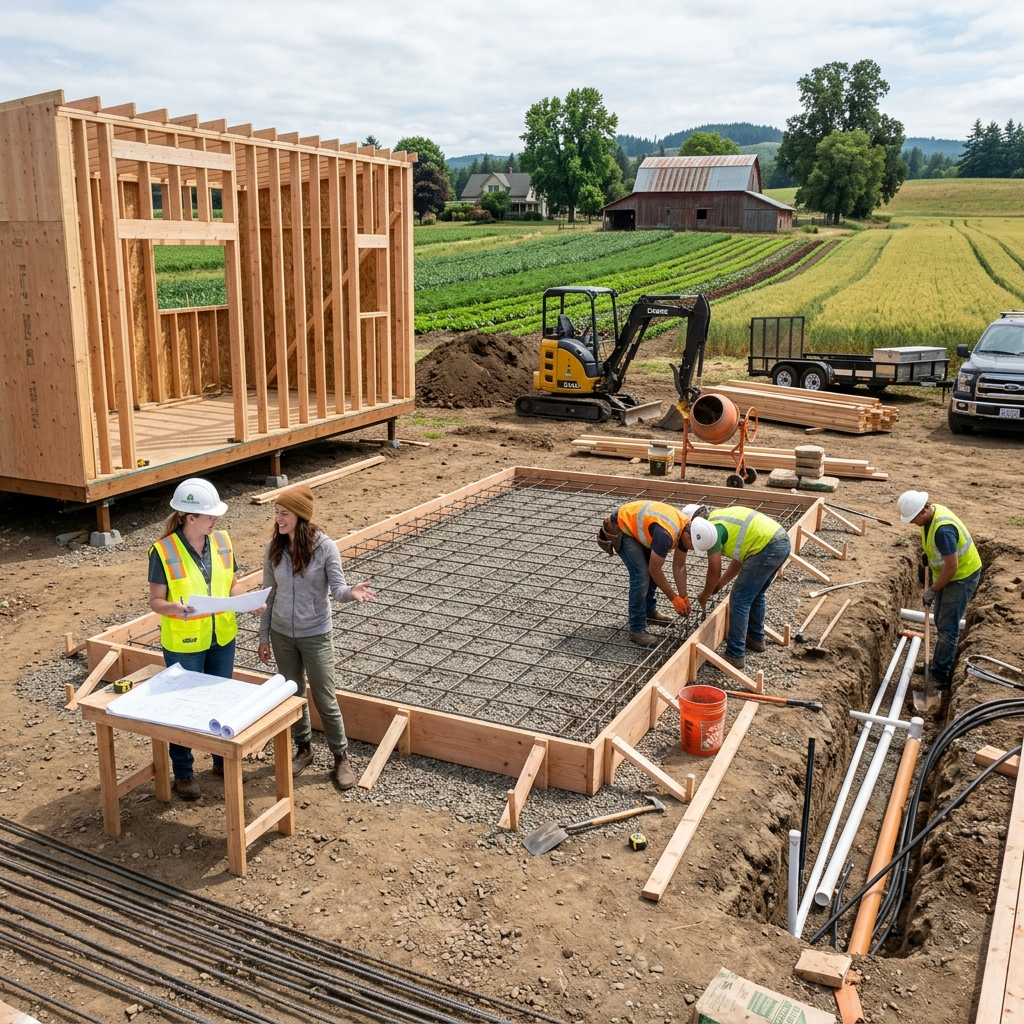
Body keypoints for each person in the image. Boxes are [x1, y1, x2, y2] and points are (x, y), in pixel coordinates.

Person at [257, 483, 376, 790]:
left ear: (299, 515)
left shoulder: (325, 547)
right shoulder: (274, 548)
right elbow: (268, 597)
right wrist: (263, 637)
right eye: (276, 513)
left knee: (325, 696)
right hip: (282, 634)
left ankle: (341, 757)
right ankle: (304, 749)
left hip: (315, 635)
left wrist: (352, 592)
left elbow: (337, 590)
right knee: (293, 695)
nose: (278, 519)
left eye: (284, 514)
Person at [149, 477, 259, 801]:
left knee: (221, 702)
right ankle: (183, 773)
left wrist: (247, 600)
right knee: (181, 708)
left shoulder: (222, 541)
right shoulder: (163, 551)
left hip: (222, 636)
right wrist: (174, 608)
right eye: (210, 515)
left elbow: (232, 584)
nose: (216, 520)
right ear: (189, 516)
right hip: (185, 642)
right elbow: (156, 601)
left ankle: (220, 761)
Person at [598, 500, 716, 647]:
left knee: (651, 568)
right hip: (621, 526)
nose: (692, 550)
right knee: (641, 575)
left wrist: (683, 595)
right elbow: (654, 569)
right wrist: (673, 598)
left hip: (640, 524)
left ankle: (649, 611)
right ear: (687, 537)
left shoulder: (686, 528)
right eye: (693, 547)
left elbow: (679, 565)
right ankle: (636, 629)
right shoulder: (666, 535)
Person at [685, 506, 791, 671]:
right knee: (756, 593)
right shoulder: (721, 518)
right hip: (780, 541)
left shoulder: (712, 530)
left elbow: (714, 569)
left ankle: (735, 655)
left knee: (739, 600)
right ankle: (755, 638)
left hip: (767, 547)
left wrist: (705, 594)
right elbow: (740, 558)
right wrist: (720, 584)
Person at [897, 490, 982, 688]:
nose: (912, 523)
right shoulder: (930, 517)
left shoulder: (943, 530)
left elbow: (952, 566)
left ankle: (939, 675)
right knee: (939, 620)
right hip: (948, 574)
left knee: (948, 627)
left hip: (961, 577)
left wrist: (933, 589)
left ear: (923, 511)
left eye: (912, 519)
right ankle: (935, 664)